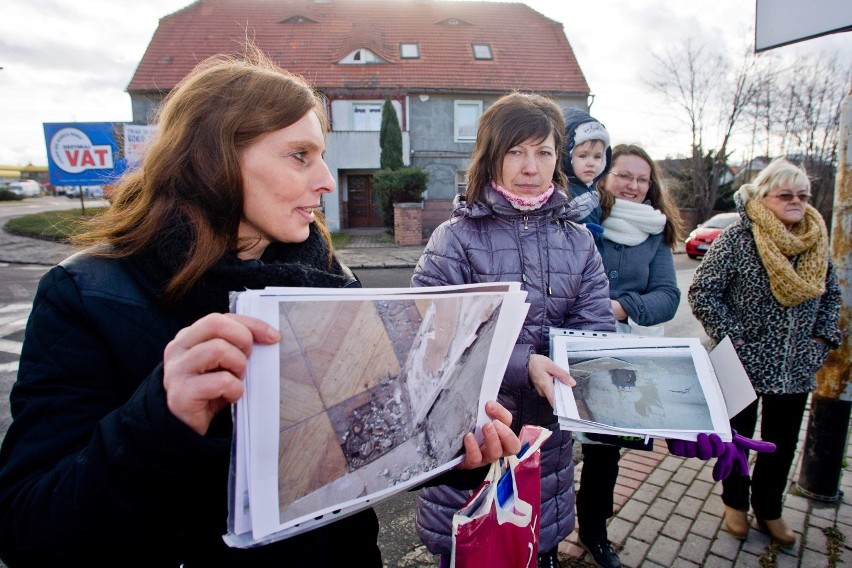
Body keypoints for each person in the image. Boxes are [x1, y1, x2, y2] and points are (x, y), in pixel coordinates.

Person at [0, 49, 520, 567]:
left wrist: (453, 447)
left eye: (321, 155)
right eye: (300, 156)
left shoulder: (328, 279)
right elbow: (30, 528)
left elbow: (367, 447)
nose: (325, 181)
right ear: (213, 159)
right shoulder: (88, 295)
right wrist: (161, 420)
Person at [411, 92, 616, 568]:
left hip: (546, 441)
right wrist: (527, 364)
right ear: (491, 158)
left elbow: (594, 330)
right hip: (472, 437)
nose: (531, 167)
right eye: (516, 152)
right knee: (467, 548)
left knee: (536, 545)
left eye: (543, 152)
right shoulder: (455, 239)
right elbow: (434, 334)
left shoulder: (579, 240)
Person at [689, 157, 841, 547]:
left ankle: (770, 508)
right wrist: (731, 338)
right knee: (737, 438)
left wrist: (820, 342)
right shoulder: (738, 238)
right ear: (763, 195)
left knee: (782, 442)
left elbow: (831, 297)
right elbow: (703, 293)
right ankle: (735, 503)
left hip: (795, 365)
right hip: (740, 362)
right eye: (786, 195)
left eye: (803, 196)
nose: (796, 202)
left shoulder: (816, 240)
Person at [574, 143, 682, 568]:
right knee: (551, 449)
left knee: (604, 453)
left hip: (619, 356)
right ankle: (541, 539)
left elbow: (668, 298)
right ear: (604, 176)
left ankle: (594, 532)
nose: (634, 185)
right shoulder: (581, 217)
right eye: (624, 176)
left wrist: (620, 307)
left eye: (642, 178)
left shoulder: (656, 234)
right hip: (566, 348)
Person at [561, 108, 612, 229]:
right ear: (566, 155)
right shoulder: (563, 191)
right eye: (583, 156)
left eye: (597, 157)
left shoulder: (593, 188)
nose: (591, 163)